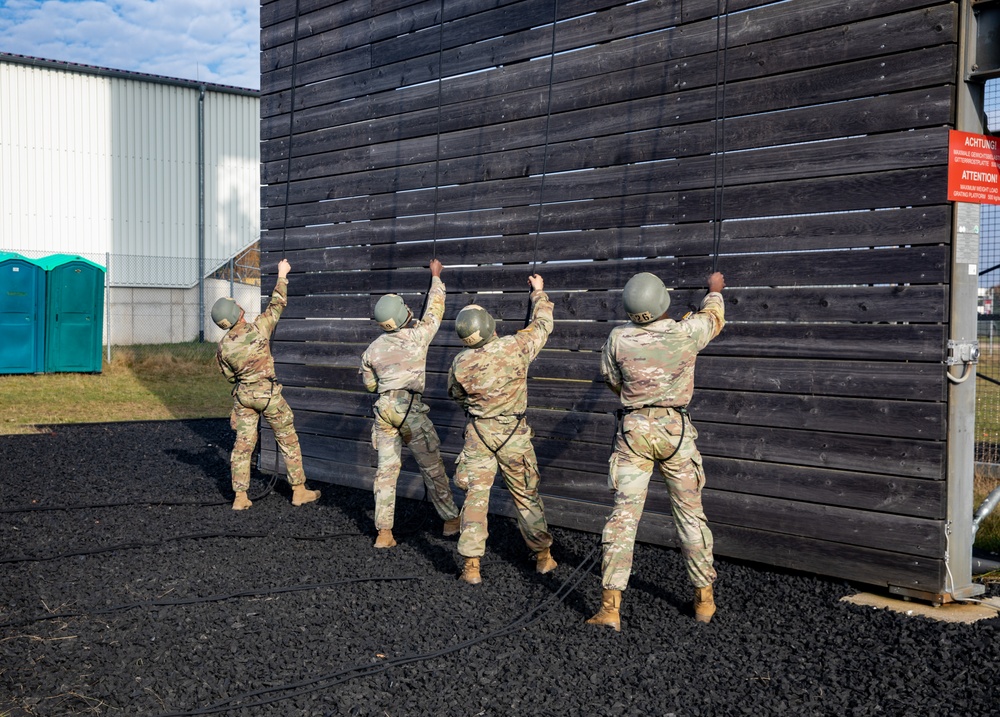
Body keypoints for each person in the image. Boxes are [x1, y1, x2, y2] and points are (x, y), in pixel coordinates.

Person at [587, 270, 726, 631]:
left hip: (633, 432)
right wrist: (714, 289)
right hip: (676, 432)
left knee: (623, 519)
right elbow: (715, 318)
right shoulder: (686, 331)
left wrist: (637, 396)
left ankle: (610, 608)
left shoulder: (618, 337)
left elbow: (611, 379)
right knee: (690, 516)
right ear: (662, 300)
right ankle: (704, 601)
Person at [447, 273, 557, 585]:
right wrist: (538, 293)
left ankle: (471, 565)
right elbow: (543, 325)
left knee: (475, 498)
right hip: (513, 435)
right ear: (489, 325)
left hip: (479, 435)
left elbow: (456, 395)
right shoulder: (516, 347)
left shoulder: (460, 362)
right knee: (526, 494)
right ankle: (543, 557)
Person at [359, 259, 461, 548]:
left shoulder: (373, 349)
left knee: (386, 473)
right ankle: (451, 520)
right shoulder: (417, 337)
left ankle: (383, 533)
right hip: (410, 412)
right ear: (403, 314)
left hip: (384, 411)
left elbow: (370, 385)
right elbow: (435, 311)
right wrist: (436, 277)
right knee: (432, 467)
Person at [212, 258, 322, 511]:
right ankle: (298, 491)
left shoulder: (223, 347)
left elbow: (229, 376)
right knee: (287, 440)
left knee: (243, 445)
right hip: (269, 395)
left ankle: (240, 497)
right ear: (237, 314)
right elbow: (277, 304)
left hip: (244, 397)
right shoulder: (258, 329)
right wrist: (283, 274)